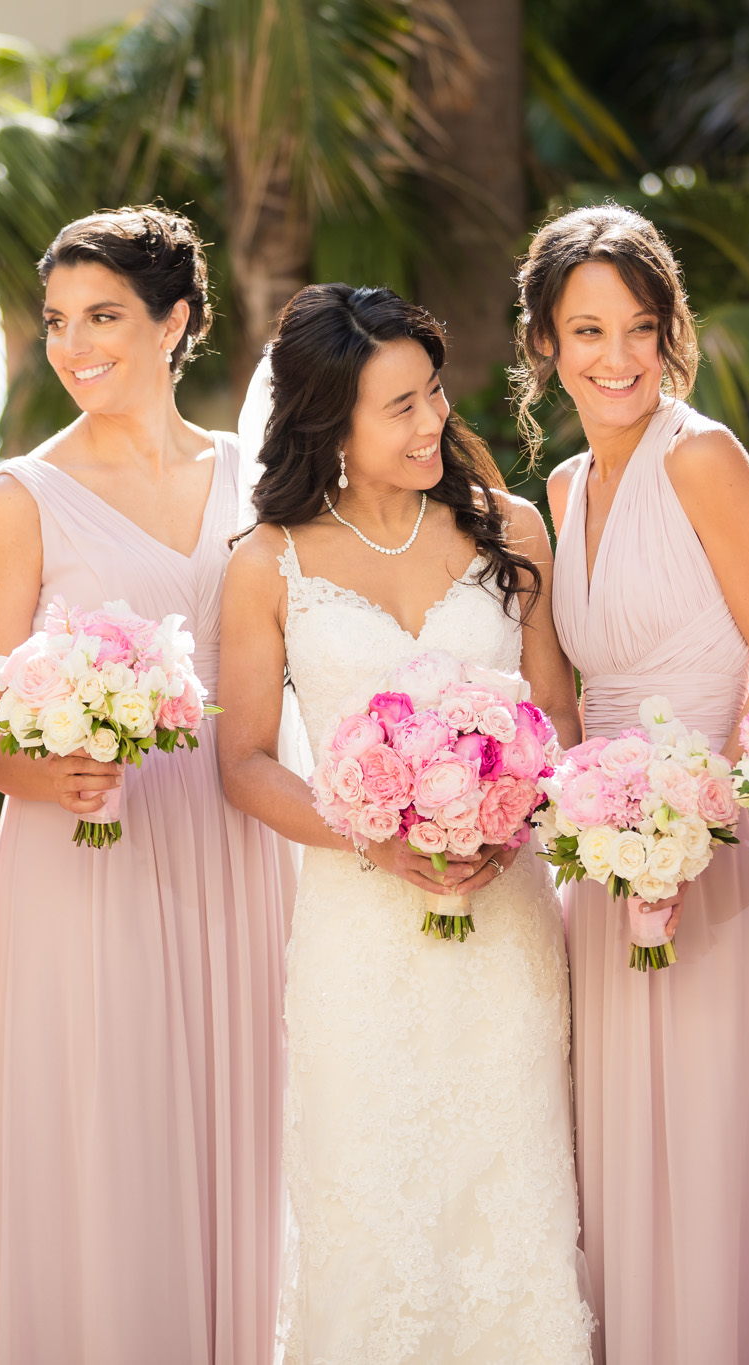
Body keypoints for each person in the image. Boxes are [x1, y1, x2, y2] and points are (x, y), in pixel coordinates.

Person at [216, 283, 594, 1362]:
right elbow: (241, 762)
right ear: (328, 420)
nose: (432, 421)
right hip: (356, 934)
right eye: (398, 407)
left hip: (504, 920)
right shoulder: (268, 564)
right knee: (369, 1203)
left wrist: (507, 820)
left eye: (432, 394)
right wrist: (374, 839)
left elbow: (553, 711)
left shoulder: (507, 528)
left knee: (508, 1192)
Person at [0, 207, 291, 1365]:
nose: (74, 344)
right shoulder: (18, 497)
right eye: (56, 322)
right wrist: (50, 773)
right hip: (94, 848)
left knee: (249, 1118)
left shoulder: (256, 478)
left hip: (244, 835)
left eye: (103, 316)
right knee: (117, 1127)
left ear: (175, 321)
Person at [518, 205, 749, 1364]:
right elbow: (568, 693)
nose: (616, 358)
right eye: (586, 331)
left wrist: (698, 815)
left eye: (639, 328)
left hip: (714, 844)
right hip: (599, 853)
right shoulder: (560, 487)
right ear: (543, 342)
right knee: (618, 1136)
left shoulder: (702, 456)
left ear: (669, 331)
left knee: (704, 1122)